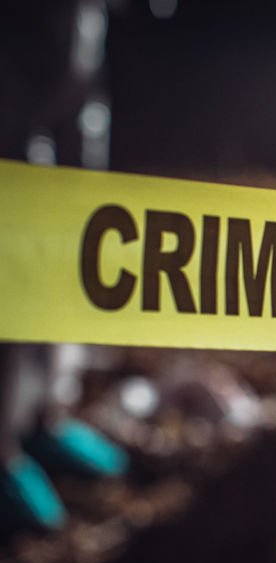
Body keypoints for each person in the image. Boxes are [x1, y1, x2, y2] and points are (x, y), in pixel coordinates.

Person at [0, 0, 126, 532]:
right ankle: (3, 445)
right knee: (15, 241)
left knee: (75, 223)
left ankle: (45, 411)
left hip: (73, 39)